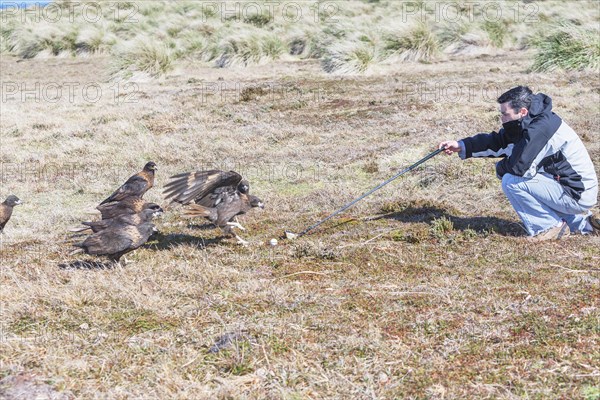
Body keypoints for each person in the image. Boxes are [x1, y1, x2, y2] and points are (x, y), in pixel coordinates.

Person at [439, 86, 599, 241]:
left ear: (522, 111)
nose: (501, 119)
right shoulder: (532, 120)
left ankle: (549, 228)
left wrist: (499, 169)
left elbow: (518, 168)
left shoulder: (539, 131)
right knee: (532, 178)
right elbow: (500, 142)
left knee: (512, 181)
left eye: (505, 114)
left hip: (577, 194)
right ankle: (585, 225)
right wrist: (461, 145)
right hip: (572, 187)